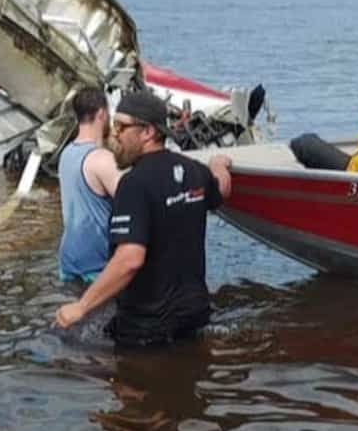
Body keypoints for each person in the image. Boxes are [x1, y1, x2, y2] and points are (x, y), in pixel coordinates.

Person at [55, 89, 233, 347]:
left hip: (146, 326)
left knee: (69, 348)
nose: (115, 134)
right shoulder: (195, 171)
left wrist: (81, 306)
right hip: (194, 316)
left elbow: (130, 259)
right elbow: (222, 190)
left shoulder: (133, 184)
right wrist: (218, 165)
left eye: (121, 127)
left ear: (148, 132)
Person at [57, 86, 122, 284]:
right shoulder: (102, 159)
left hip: (68, 258)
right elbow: (133, 203)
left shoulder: (66, 154)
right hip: (96, 265)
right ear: (102, 114)